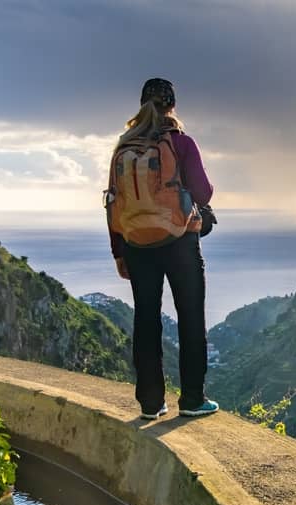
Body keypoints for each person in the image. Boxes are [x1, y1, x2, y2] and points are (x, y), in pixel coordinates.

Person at [107, 78, 219, 419]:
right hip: (180, 241)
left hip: (137, 245)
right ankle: (192, 400)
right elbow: (203, 193)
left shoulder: (124, 148)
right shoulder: (180, 143)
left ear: (141, 104)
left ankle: (151, 403)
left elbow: (113, 203)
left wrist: (119, 252)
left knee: (145, 319)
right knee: (190, 316)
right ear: (172, 106)